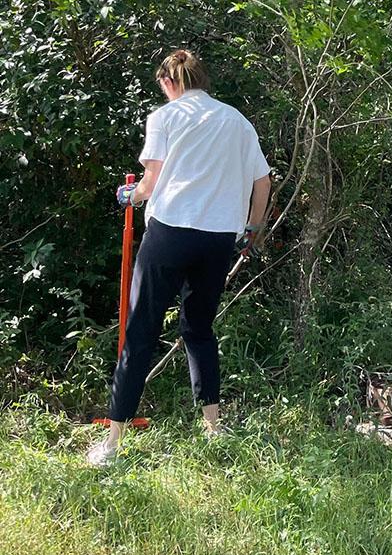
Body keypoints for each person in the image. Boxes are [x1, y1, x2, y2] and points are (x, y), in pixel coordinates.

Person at [87, 49, 271, 465]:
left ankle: (112, 444)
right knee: (199, 329)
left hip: (170, 232)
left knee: (140, 332)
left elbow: (150, 183)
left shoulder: (165, 117)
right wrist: (253, 230)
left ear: (169, 83)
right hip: (218, 239)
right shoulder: (237, 121)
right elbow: (262, 182)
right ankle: (214, 428)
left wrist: (129, 196)